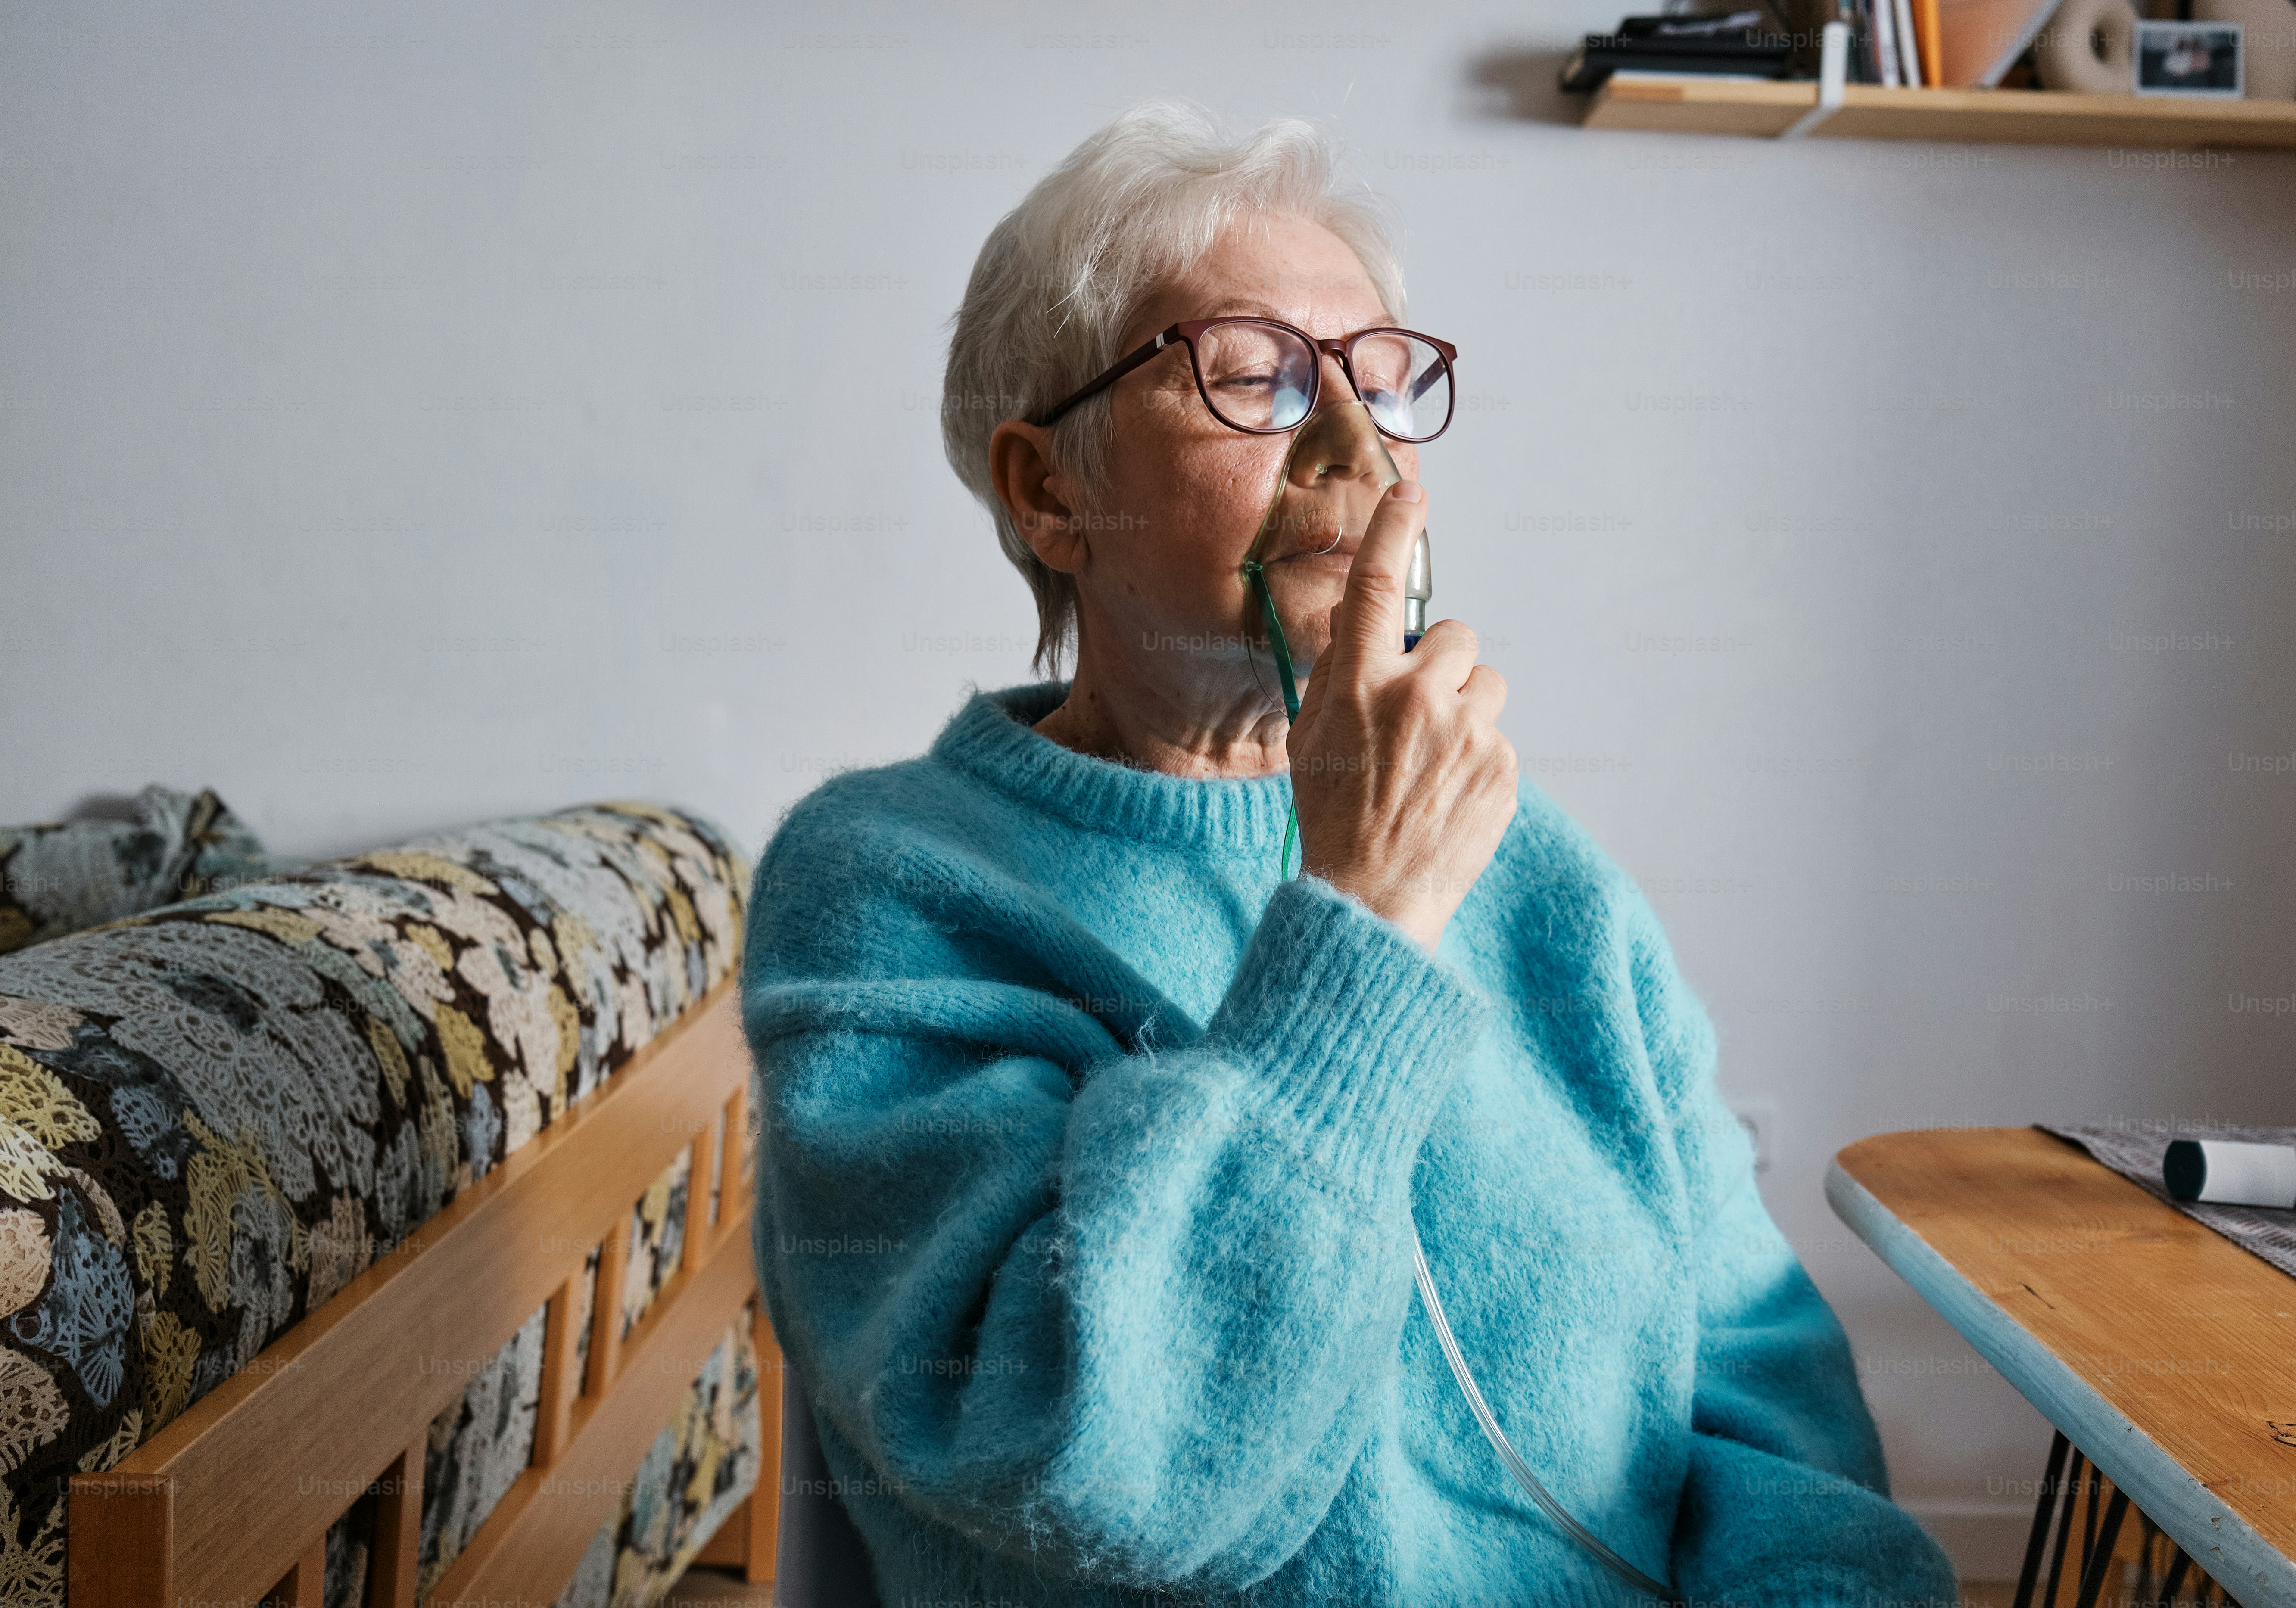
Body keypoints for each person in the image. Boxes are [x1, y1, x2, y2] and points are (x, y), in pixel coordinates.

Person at [743, 100, 1958, 1606]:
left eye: (1384, 383)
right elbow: (1099, 1472)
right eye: (1254, 377)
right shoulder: (889, 890)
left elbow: (1770, 1400)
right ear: (1052, 490)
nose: (1356, 446)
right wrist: (1364, 916)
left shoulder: (1542, 876)